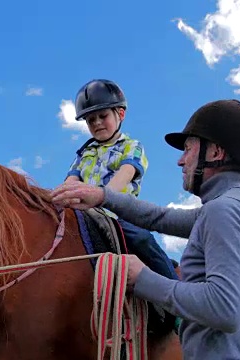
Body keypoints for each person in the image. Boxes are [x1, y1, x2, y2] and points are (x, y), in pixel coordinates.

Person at [51, 99, 240, 359]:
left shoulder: (225, 210)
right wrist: (102, 196)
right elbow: (159, 217)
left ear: (215, 153)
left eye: (188, 150)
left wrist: (142, 279)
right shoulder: (237, 205)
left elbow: (226, 309)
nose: (180, 161)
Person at [64, 79, 179, 283]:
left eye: (103, 116)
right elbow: (70, 182)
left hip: (119, 215)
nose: (97, 122)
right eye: (91, 120)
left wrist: (101, 199)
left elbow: (126, 173)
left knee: (142, 239)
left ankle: (174, 289)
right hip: (84, 215)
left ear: (121, 114)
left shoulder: (132, 146)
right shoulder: (84, 154)